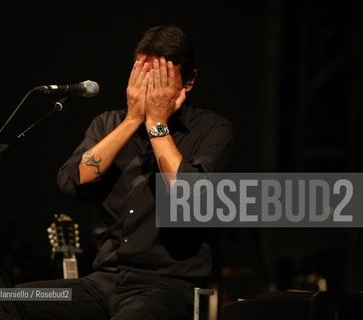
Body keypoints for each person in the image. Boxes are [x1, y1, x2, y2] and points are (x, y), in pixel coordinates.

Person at [18, 25, 233, 320]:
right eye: (143, 78)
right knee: (6, 303)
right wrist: (133, 119)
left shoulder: (211, 129)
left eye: (160, 80)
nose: (150, 90)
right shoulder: (108, 124)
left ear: (189, 81)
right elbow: (71, 181)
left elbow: (191, 198)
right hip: (103, 281)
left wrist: (157, 123)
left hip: (165, 285)